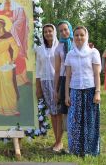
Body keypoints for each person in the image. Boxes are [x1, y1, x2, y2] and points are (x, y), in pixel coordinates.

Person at [65, 26, 101, 156]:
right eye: (76, 35)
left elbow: (96, 74)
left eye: (82, 35)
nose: (79, 37)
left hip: (90, 90)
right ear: (73, 37)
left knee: (90, 121)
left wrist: (97, 92)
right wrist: (66, 95)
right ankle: (75, 150)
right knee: (74, 122)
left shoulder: (93, 53)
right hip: (75, 91)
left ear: (86, 36)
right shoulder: (70, 54)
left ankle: (90, 151)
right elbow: (68, 76)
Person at [35, 24, 62, 152]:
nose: (48, 33)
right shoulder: (39, 49)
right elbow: (38, 69)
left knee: (58, 112)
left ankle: (59, 142)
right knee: (52, 112)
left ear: (54, 32)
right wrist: (38, 86)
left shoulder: (59, 47)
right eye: (45, 32)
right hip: (45, 81)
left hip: (57, 81)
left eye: (50, 31)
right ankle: (56, 141)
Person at [0, 0, 29, 86]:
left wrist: (12, 25)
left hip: (15, 35)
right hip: (4, 34)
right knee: (6, 55)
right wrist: (4, 25)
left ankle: (22, 79)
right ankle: (6, 79)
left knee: (18, 55)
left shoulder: (18, 7)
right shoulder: (0, 8)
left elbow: (22, 19)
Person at [53, 20, 73, 135]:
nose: (64, 32)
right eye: (61, 31)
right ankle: (69, 135)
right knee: (65, 109)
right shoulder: (58, 48)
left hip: (76, 79)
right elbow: (56, 71)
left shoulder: (77, 42)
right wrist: (55, 89)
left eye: (65, 29)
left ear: (69, 29)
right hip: (63, 78)